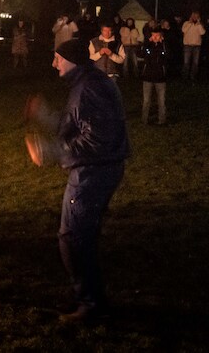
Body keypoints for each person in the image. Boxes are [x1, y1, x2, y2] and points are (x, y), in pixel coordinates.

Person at [27, 39, 129, 324]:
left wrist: (50, 151)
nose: (54, 63)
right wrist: (44, 114)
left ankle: (90, 303)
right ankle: (85, 295)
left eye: (57, 58)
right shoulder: (85, 84)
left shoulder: (90, 88)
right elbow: (74, 123)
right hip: (92, 170)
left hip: (94, 172)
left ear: (71, 60)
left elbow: (97, 139)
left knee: (73, 238)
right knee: (76, 236)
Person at [139, 27, 168, 125]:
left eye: (157, 35)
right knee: (146, 100)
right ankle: (144, 120)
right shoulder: (148, 45)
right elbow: (141, 54)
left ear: (161, 36)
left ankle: (162, 120)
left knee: (161, 101)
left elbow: (168, 56)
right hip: (148, 77)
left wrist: (162, 44)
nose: (155, 37)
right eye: (153, 35)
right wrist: (147, 43)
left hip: (160, 78)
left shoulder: (164, 46)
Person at [181, 12, 205, 80]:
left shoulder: (200, 24)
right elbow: (183, 30)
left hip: (196, 46)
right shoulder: (186, 23)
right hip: (187, 46)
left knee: (195, 63)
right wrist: (190, 23)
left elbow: (202, 32)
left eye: (196, 16)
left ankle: (193, 77)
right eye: (193, 16)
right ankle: (185, 76)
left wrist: (198, 24)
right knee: (186, 62)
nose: (195, 17)